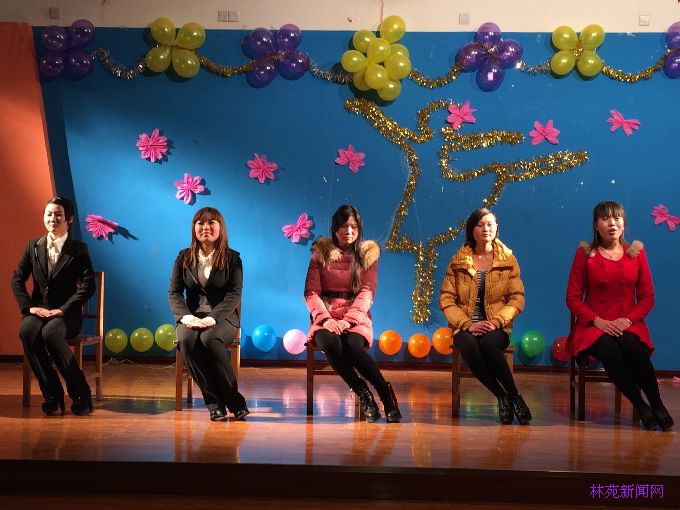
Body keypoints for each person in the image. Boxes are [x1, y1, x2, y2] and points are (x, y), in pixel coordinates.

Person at [566, 200, 673, 431]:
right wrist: (597, 321)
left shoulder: (636, 253)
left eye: (617, 218)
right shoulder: (585, 254)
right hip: (594, 325)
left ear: (624, 223)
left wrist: (627, 320)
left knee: (634, 350)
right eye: (605, 218)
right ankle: (641, 406)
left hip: (628, 322)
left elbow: (647, 297)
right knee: (610, 351)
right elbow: (573, 298)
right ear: (596, 225)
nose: (612, 223)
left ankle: (657, 405)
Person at [304, 204, 401, 423]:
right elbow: (311, 293)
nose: (348, 231)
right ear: (335, 228)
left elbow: (367, 292)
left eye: (353, 227)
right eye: (343, 226)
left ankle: (385, 393)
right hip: (326, 316)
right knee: (331, 343)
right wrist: (326, 320)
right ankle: (363, 393)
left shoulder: (367, 255)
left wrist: (349, 321)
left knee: (351, 345)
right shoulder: (320, 254)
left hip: (356, 317)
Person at [439, 207, 531, 425]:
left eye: (490, 224)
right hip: (465, 325)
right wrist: (467, 323)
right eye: (480, 224)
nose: (485, 229)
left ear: (497, 228)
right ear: (472, 229)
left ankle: (514, 396)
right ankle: (503, 397)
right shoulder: (458, 261)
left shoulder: (508, 260)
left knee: (489, 344)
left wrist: (497, 322)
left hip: (496, 326)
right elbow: (446, 299)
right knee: (469, 345)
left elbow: (517, 298)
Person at [11, 197, 95, 415]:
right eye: (49, 214)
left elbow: (88, 286)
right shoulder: (34, 246)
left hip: (67, 315)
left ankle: (81, 395)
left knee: (50, 333)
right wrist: (29, 307)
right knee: (27, 330)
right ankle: (52, 394)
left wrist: (64, 309)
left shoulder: (78, 249)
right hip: (39, 311)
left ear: (69, 219)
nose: (53, 218)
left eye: (58, 214)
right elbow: (17, 279)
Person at [169, 207, 249, 422]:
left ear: (220, 227)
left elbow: (235, 294)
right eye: (200, 223)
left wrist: (212, 318)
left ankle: (234, 401)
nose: (206, 227)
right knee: (186, 340)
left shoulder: (233, 258)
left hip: (223, 318)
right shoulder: (183, 257)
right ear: (194, 228)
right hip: (191, 317)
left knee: (209, 338)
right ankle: (214, 403)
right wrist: (186, 317)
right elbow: (174, 293)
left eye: (211, 222)